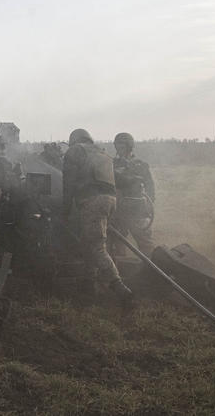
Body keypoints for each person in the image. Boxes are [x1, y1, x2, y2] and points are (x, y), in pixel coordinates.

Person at [62, 128, 132, 301]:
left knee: (96, 247)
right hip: (110, 201)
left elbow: (68, 183)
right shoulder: (102, 153)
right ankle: (88, 285)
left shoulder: (75, 151)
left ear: (74, 140)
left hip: (92, 202)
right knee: (87, 243)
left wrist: (64, 210)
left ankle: (120, 287)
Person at [111, 132, 156, 258]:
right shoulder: (112, 164)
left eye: (122, 145)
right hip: (118, 210)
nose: (119, 149)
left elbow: (150, 188)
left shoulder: (140, 165)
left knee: (145, 244)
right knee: (117, 243)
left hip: (137, 210)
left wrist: (148, 206)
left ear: (129, 146)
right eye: (117, 146)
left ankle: (152, 270)